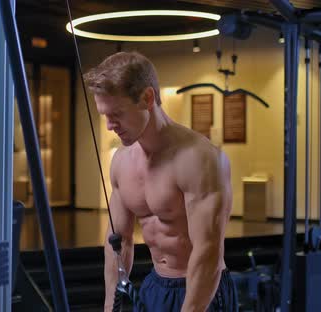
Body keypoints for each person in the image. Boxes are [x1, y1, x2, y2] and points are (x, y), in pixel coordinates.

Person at [84, 51, 238, 312]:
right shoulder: (121, 162)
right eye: (104, 115)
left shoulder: (199, 159)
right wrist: (110, 305)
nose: (110, 125)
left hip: (202, 290)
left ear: (147, 98)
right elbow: (118, 242)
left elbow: (208, 252)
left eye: (117, 114)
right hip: (155, 286)